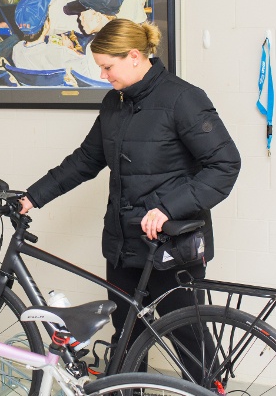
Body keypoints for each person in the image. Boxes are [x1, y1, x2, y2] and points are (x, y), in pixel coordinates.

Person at [17, 18, 241, 358]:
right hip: (124, 247)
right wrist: (32, 197)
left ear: (134, 56)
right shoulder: (114, 104)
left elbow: (225, 165)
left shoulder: (184, 98)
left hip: (172, 247)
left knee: (189, 342)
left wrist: (168, 209)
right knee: (126, 340)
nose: (104, 76)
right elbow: (85, 160)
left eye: (108, 67)